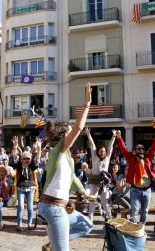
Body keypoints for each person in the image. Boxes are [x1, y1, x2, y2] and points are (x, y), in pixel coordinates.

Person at [38, 82, 94, 251]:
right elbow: (79, 128)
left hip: (60, 207)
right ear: (63, 136)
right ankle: (56, 245)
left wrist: (85, 194)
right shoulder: (57, 151)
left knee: (86, 225)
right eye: (69, 133)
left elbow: (73, 178)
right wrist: (87, 105)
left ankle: (52, 244)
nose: (72, 135)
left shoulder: (67, 157)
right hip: (53, 208)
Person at [116, 128, 155, 224]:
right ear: (135, 150)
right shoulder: (131, 158)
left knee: (144, 211)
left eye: (142, 149)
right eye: (138, 149)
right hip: (135, 190)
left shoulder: (148, 158)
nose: (141, 150)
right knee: (134, 211)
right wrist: (119, 137)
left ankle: (141, 227)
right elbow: (123, 149)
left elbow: (154, 147)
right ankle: (133, 228)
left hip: (147, 190)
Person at [84, 128, 115, 220]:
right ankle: (90, 218)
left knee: (105, 202)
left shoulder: (107, 158)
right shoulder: (94, 157)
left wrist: (113, 136)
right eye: (101, 151)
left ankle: (108, 219)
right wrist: (88, 134)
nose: (103, 153)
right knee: (93, 200)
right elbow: (92, 145)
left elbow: (110, 147)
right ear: (98, 152)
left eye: (104, 151)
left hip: (104, 183)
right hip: (94, 181)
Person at [13, 136, 40, 231]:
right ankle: (19, 224)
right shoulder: (18, 166)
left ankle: (29, 223)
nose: (26, 160)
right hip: (21, 188)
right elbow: (15, 157)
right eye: (24, 159)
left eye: (28, 159)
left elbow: (37, 159)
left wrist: (39, 148)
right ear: (22, 159)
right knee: (20, 206)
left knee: (29, 207)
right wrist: (15, 147)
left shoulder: (31, 166)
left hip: (30, 188)